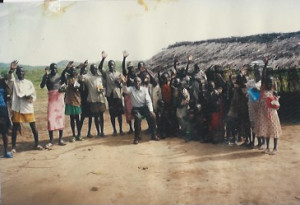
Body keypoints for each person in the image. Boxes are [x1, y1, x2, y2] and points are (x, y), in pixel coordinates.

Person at [8, 61, 43, 152]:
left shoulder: (29, 83)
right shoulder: (14, 82)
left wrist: (29, 97)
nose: (21, 73)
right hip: (18, 108)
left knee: (33, 126)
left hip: (27, 107)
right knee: (15, 128)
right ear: (17, 73)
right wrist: (11, 69)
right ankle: (13, 147)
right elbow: (10, 78)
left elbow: (34, 95)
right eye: (19, 71)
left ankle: (37, 144)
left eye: (22, 71)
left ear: (24, 73)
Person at [122, 77, 160, 144]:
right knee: (138, 118)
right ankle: (137, 137)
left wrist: (151, 111)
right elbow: (125, 90)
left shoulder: (145, 90)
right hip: (135, 108)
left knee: (152, 116)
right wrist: (124, 83)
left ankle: (153, 135)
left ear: (141, 83)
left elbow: (148, 101)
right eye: (136, 82)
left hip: (144, 108)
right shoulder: (131, 89)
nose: (137, 83)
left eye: (138, 82)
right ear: (134, 83)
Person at [40, 63, 66, 148]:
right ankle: (51, 140)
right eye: (52, 68)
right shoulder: (48, 76)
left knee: (60, 118)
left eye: (55, 68)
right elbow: (42, 85)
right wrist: (45, 76)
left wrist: (63, 89)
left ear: (57, 69)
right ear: (50, 69)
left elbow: (64, 84)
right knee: (51, 119)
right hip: (51, 98)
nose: (54, 69)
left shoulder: (59, 77)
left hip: (60, 98)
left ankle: (60, 139)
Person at [99, 51, 124, 135]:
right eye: (110, 65)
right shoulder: (106, 73)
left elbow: (122, 84)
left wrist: (119, 83)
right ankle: (114, 130)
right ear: (108, 66)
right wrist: (103, 59)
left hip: (117, 95)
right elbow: (99, 68)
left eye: (112, 64)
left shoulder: (119, 74)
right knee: (112, 114)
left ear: (115, 65)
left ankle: (121, 129)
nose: (111, 66)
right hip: (110, 96)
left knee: (120, 114)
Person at [254, 76, 281, 155]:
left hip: (272, 114)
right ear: (265, 84)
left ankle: (275, 148)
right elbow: (258, 102)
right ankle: (267, 147)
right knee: (267, 131)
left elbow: (277, 106)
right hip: (263, 115)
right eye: (268, 83)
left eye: (271, 83)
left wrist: (275, 102)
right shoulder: (262, 92)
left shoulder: (274, 92)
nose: (269, 84)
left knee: (274, 130)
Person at [79, 64, 106, 137]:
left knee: (101, 116)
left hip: (101, 99)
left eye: (96, 68)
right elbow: (81, 78)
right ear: (91, 70)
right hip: (92, 100)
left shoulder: (100, 77)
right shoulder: (88, 77)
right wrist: (82, 68)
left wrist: (103, 90)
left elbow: (104, 86)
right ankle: (98, 132)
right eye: (94, 69)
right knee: (96, 116)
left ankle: (102, 132)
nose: (95, 70)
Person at [64, 66, 82, 142]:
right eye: (71, 70)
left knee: (77, 118)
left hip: (77, 100)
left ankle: (79, 134)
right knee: (72, 118)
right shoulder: (67, 79)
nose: (73, 71)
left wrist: (77, 87)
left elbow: (81, 87)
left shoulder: (78, 78)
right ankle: (73, 134)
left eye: (74, 70)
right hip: (69, 100)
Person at [122, 51, 135, 134]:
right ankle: (131, 128)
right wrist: (124, 58)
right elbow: (123, 68)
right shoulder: (127, 75)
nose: (131, 69)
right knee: (128, 112)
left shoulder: (135, 75)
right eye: (129, 68)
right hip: (128, 96)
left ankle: (136, 127)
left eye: (131, 67)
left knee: (136, 111)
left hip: (134, 95)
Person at [0, 75, 13, 158]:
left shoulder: (3, 84)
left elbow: (9, 79)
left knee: (4, 132)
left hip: (2, 109)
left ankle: (6, 151)